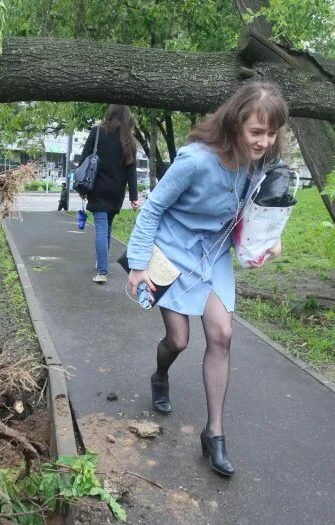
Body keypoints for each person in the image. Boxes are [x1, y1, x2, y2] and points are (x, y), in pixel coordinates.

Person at [125, 82, 290, 478]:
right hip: (173, 253)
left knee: (221, 336)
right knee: (178, 340)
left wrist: (270, 240)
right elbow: (152, 210)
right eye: (256, 133)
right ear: (235, 124)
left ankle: (214, 433)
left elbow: (257, 209)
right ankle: (160, 374)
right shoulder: (195, 161)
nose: (264, 141)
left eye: (271, 133)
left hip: (213, 256)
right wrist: (137, 265)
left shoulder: (261, 162)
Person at [79, 105, 139, 284]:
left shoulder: (97, 132)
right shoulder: (129, 139)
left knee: (101, 228)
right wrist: (134, 197)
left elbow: (84, 161)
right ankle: (101, 261)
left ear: (110, 114)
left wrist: (82, 189)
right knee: (108, 226)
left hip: (98, 189)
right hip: (117, 192)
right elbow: (132, 171)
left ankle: (102, 270)